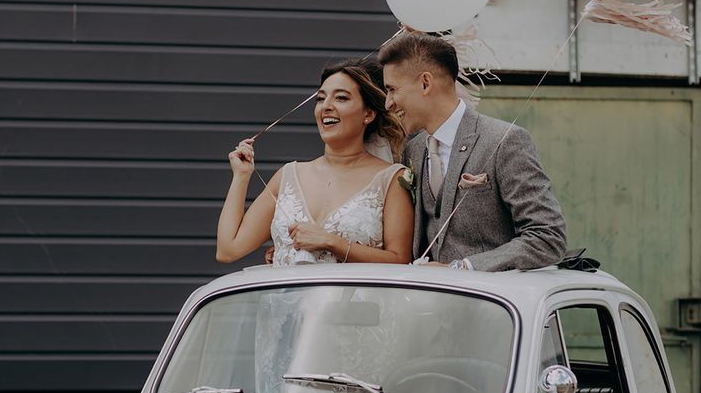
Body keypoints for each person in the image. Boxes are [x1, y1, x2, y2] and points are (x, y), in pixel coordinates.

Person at [378, 31, 567, 271]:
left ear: (425, 83)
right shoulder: (413, 150)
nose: (388, 103)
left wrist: (463, 267)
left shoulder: (504, 141)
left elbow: (548, 237)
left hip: (492, 303)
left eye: (392, 89)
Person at [216, 59, 414, 267]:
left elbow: (400, 261)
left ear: (369, 114)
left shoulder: (391, 179)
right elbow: (228, 250)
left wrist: (331, 242)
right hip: (289, 300)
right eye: (320, 99)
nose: (326, 107)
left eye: (341, 98)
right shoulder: (288, 175)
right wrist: (241, 176)